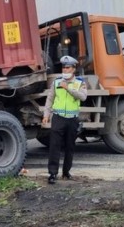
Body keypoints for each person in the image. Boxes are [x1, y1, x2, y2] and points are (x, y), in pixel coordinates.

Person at [42, 55, 87, 184]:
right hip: (58, 118)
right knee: (54, 146)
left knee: (70, 147)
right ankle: (52, 174)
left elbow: (83, 97)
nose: (65, 70)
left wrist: (68, 88)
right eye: (63, 68)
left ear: (73, 69)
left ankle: (66, 172)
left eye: (67, 68)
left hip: (72, 119)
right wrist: (46, 115)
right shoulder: (56, 82)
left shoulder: (80, 82)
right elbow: (50, 99)